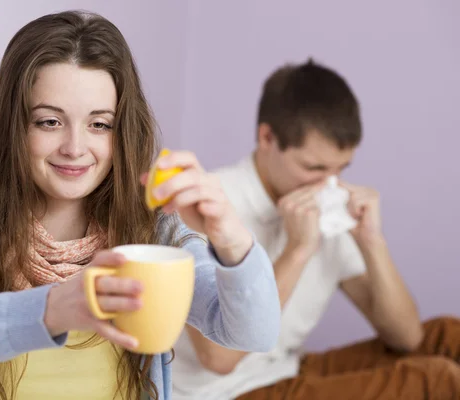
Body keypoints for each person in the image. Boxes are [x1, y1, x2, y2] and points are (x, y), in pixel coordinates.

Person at [0, 10, 281, 400]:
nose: (75, 148)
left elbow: (251, 334)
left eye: (99, 124)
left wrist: (230, 237)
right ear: (14, 127)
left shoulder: (152, 232)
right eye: (49, 122)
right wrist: (51, 310)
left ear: (121, 130)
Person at [172, 59, 460, 399]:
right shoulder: (205, 206)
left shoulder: (326, 206)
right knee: (437, 380)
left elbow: (407, 337)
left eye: (340, 169)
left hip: (286, 371)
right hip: (224, 391)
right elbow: (218, 358)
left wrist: (372, 242)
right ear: (267, 137)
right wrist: (298, 250)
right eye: (314, 167)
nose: (329, 184)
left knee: (446, 334)